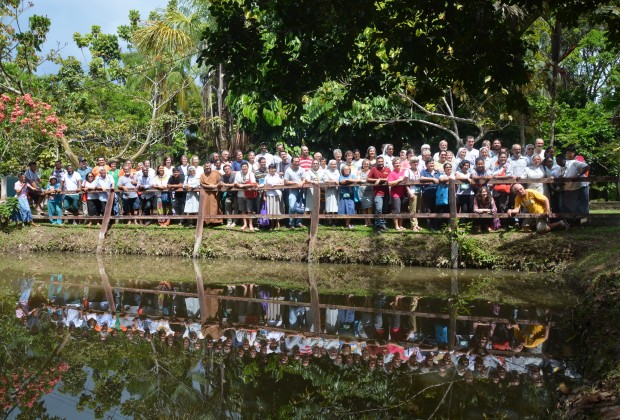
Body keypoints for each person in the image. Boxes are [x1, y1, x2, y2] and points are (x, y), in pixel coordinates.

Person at [562, 145, 590, 220]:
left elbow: (587, 167)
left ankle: (584, 221)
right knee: (571, 205)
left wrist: (578, 175)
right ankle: (572, 221)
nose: (568, 154)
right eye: (567, 152)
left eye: (570, 152)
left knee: (582, 205)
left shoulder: (577, 161)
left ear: (574, 153)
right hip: (570, 187)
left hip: (581, 186)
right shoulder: (564, 161)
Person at [367, 156, 391, 233]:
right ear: (377, 162)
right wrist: (375, 180)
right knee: (378, 209)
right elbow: (368, 179)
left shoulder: (387, 169)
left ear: (383, 162)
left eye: (381, 161)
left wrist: (380, 179)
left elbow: (389, 179)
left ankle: (382, 224)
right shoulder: (374, 169)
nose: (380, 163)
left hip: (386, 193)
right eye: (379, 161)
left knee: (384, 210)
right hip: (378, 193)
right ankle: (377, 226)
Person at [234, 162, 258, 231]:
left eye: (245, 167)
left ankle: (250, 224)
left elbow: (253, 183)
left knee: (250, 210)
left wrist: (243, 185)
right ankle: (245, 224)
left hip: (249, 194)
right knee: (243, 210)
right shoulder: (238, 173)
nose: (244, 168)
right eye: (243, 167)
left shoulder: (251, 174)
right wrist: (242, 185)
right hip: (240, 195)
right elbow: (236, 183)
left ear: (248, 167)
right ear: (241, 168)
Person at [283, 157, 306, 229]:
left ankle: (299, 222)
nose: (297, 163)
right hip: (292, 190)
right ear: (292, 162)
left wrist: (302, 182)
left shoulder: (301, 169)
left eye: (298, 161)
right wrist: (295, 183)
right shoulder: (288, 170)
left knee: (301, 206)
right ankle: (291, 223)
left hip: (301, 190)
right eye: (295, 162)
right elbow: (285, 181)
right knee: (292, 206)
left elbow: (304, 179)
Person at [420, 159, 441, 230]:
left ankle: (436, 225)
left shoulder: (437, 172)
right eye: (430, 163)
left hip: (437, 193)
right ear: (426, 165)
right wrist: (432, 179)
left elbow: (441, 178)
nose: (431, 165)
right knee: (428, 209)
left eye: (432, 163)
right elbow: (421, 178)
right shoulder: (424, 172)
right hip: (427, 193)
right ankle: (430, 226)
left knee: (436, 209)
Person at [387, 158, 408, 231]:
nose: (398, 164)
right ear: (393, 165)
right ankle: (396, 226)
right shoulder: (392, 173)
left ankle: (400, 225)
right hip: (395, 194)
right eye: (396, 163)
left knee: (402, 210)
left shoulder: (403, 172)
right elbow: (389, 183)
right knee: (396, 210)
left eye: (399, 163)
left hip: (403, 194)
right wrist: (398, 180)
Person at [263, 164, 284, 229]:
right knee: (270, 209)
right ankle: (272, 224)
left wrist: (276, 185)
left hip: (277, 194)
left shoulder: (278, 176)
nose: (272, 170)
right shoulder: (267, 177)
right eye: (271, 168)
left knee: (277, 209)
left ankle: (277, 223)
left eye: (273, 168)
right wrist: (264, 195)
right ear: (268, 170)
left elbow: (283, 183)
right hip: (269, 195)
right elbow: (264, 186)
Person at [406, 156, 422, 231]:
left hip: (419, 191)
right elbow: (405, 183)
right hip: (412, 191)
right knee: (412, 209)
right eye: (414, 162)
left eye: (417, 162)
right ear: (410, 163)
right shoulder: (407, 171)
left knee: (418, 209)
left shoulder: (419, 170)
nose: (416, 163)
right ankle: (413, 226)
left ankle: (417, 224)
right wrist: (409, 192)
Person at [338, 164, 357, 228]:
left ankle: (347, 223)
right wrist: (349, 181)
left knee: (351, 209)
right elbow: (342, 182)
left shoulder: (353, 175)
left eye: (348, 169)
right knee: (344, 209)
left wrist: (348, 180)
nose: (347, 170)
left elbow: (356, 180)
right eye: (345, 169)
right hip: (343, 195)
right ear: (342, 171)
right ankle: (346, 224)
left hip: (351, 196)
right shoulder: (341, 176)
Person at [357, 159, 374, 227]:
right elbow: (358, 180)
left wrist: (363, 181)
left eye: (367, 164)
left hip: (370, 191)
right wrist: (363, 181)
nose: (366, 165)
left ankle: (369, 221)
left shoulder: (371, 171)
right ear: (362, 165)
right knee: (364, 207)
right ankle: (366, 221)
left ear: (369, 165)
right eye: (364, 164)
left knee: (369, 206)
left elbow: (372, 180)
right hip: (362, 191)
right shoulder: (359, 171)